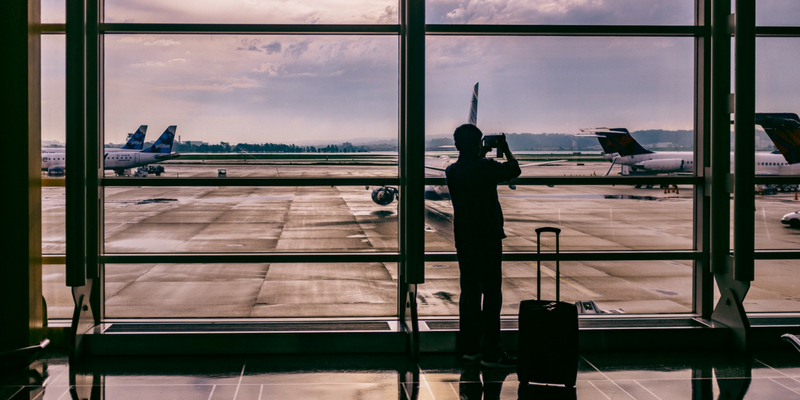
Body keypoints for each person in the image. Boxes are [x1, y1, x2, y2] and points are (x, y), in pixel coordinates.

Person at [445, 124, 521, 368]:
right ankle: (492, 352)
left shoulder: (452, 171)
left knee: (469, 292)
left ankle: (470, 349)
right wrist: (505, 149)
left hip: (464, 238)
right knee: (491, 293)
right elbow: (514, 170)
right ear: (479, 144)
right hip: (488, 237)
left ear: (456, 145)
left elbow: (469, 165)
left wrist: (478, 151)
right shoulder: (487, 167)